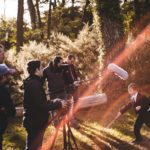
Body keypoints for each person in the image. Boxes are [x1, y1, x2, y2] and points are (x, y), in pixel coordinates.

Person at [22, 60, 67, 150]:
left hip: (34, 121)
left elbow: (39, 101)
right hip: (35, 122)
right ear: (37, 70)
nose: (43, 70)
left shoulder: (33, 81)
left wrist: (54, 101)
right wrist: (58, 104)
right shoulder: (35, 84)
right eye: (41, 68)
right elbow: (41, 105)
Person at [0, 64, 16, 150]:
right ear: (3, 76)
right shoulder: (3, 90)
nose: (9, 77)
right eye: (8, 75)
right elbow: (11, 111)